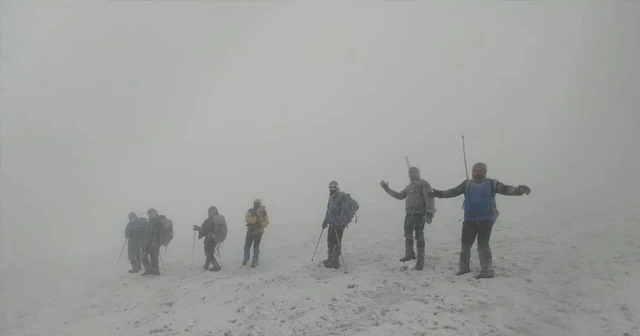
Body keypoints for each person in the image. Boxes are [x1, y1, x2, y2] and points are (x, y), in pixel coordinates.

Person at [428, 162, 531, 279]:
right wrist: (440, 194)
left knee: (482, 245)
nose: (477, 171)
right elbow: (454, 191)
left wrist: (518, 190)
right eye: (475, 170)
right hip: (469, 219)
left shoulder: (492, 183)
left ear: (485, 171)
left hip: (486, 218)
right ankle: (464, 268)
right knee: (465, 245)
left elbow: (506, 189)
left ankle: (487, 270)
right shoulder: (467, 184)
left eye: (480, 170)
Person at [380, 166, 435, 271]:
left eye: (414, 173)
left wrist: (430, 212)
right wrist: (386, 189)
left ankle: (420, 261)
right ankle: (409, 254)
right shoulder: (409, 186)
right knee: (408, 234)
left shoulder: (424, 184)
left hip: (419, 214)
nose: (412, 175)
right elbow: (399, 195)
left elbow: (430, 198)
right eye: (410, 173)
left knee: (419, 236)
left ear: (418, 173)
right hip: (409, 214)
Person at [321, 181, 351, 269]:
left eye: (334, 187)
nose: (332, 189)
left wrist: (338, 222)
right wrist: (325, 221)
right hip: (331, 224)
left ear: (337, 187)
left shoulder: (342, 196)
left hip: (338, 224)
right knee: (329, 241)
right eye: (330, 187)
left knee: (336, 242)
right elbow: (328, 211)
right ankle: (330, 258)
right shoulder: (330, 197)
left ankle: (335, 261)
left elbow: (345, 211)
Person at [193, 206, 222, 272]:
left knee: (208, 253)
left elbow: (204, 230)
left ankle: (216, 266)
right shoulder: (217, 220)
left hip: (209, 239)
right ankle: (206, 266)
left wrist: (197, 228)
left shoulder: (209, 220)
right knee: (210, 252)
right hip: (215, 239)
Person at [244, 199, 269, 268]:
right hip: (250, 231)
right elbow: (246, 218)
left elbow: (266, 221)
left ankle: (255, 261)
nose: (256, 204)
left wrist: (261, 224)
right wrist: (255, 220)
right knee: (247, 246)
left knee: (256, 246)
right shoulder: (250, 210)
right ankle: (246, 258)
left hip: (259, 232)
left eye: (258, 203)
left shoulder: (263, 212)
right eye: (256, 203)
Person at [141, 208, 162, 276]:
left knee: (145, 256)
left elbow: (150, 233)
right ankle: (154, 270)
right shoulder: (156, 221)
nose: (148, 216)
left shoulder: (155, 221)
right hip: (154, 242)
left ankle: (150, 270)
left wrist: (145, 243)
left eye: (149, 214)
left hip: (152, 242)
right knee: (153, 257)